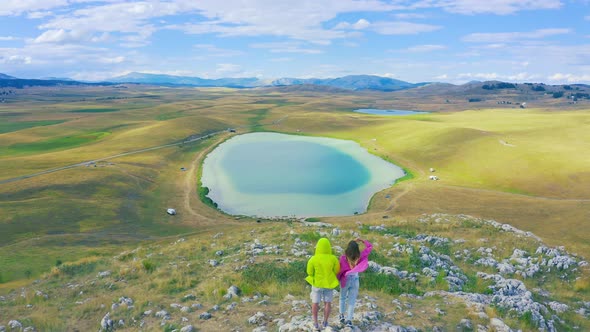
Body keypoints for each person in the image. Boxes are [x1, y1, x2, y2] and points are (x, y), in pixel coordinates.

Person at [305, 237, 340, 331]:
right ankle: (325, 322)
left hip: (317, 284)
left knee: (315, 303)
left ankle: (316, 323)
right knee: (327, 303)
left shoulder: (313, 258)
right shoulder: (333, 258)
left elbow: (309, 272)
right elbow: (337, 271)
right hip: (328, 284)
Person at [337, 238, 373, 328]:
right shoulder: (360, 256)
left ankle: (341, 316)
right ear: (357, 249)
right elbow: (370, 247)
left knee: (342, 298)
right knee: (351, 301)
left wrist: (338, 278)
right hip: (355, 280)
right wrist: (362, 240)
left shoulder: (343, 258)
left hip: (345, 280)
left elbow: (339, 270)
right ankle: (349, 320)